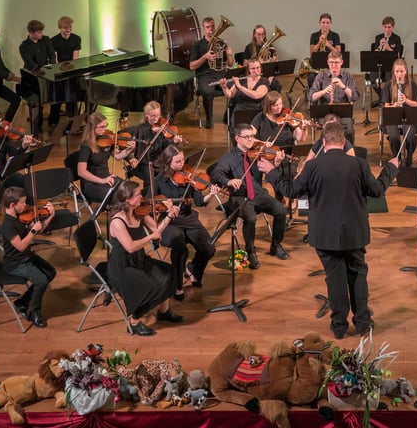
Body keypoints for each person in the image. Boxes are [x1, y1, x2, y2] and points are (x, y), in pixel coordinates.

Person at [260, 121, 398, 339]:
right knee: (357, 275)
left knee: (335, 279)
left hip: (325, 234)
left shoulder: (313, 166)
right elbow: (377, 190)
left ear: (324, 143)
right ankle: (363, 323)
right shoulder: (359, 164)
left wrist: (271, 171)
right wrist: (391, 168)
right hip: (354, 232)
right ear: (344, 142)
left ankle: (339, 327)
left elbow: (291, 190)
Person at [107, 180, 184, 336]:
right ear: (127, 199)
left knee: (170, 272)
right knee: (152, 285)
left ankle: (164, 311)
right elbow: (130, 246)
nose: (141, 197)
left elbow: (157, 230)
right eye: (137, 195)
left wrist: (168, 215)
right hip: (123, 266)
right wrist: (150, 238)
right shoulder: (117, 221)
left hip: (139, 258)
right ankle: (134, 321)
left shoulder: (139, 212)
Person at [211, 123, 290, 269]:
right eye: (246, 137)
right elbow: (216, 173)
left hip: (259, 194)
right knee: (250, 218)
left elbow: (270, 171)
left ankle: (276, 244)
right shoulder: (230, 157)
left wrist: (277, 163)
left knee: (281, 210)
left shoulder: (258, 153)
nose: (250, 140)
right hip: (240, 197)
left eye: (252, 136)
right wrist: (228, 181)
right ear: (237, 138)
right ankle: (250, 251)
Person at [153, 146, 219, 299]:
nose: (182, 164)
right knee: (180, 248)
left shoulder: (189, 178)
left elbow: (199, 201)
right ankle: (177, 286)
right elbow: (152, 202)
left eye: (182, 160)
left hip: (189, 218)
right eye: (177, 161)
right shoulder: (159, 180)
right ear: (167, 162)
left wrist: (210, 195)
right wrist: (165, 205)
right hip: (169, 221)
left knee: (209, 249)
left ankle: (192, 270)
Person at [0, 187, 57, 328]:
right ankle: (34, 311)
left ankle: (22, 301)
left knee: (50, 272)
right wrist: (32, 231)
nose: (26, 206)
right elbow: (20, 246)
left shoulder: (20, 217)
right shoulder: (7, 225)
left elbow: (39, 229)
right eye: (23, 203)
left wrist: (50, 216)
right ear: (13, 205)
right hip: (15, 263)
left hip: (26, 257)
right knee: (42, 281)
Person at [76, 112, 136, 203]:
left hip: (107, 177)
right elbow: (81, 172)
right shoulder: (86, 145)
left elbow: (118, 156)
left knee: (131, 190)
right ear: (93, 127)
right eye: (102, 127)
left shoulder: (107, 140)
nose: (105, 129)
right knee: (119, 197)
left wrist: (128, 149)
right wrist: (102, 180)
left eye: (106, 125)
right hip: (91, 183)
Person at [189, 16, 236, 129]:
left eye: (212, 26)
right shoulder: (198, 45)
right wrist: (205, 57)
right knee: (208, 92)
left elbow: (230, 64)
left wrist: (229, 54)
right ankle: (209, 120)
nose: (210, 29)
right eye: (207, 27)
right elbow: (191, 66)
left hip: (221, 75)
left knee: (236, 87)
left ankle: (228, 116)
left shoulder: (221, 43)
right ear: (203, 28)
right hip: (205, 76)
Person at [121, 100, 184, 183]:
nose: (156, 118)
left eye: (158, 115)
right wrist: (130, 158)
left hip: (159, 164)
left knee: (169, 177)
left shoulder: (162, 128)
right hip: (143, 164)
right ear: (146, 115)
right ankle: (148, 194)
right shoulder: (139, 129)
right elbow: (122, 141)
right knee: (151, 180)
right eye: (153, 116)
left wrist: (174, 141)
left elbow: (166, 146)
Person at [309, 50, 358, 142]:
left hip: (343, 113)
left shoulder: (348, 77)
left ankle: (348, 154)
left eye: (336, 63)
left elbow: (355, 97)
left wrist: (343, 86)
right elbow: (312, 97)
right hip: (324, 113)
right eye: (331, 62)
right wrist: (324, 91)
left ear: (341, 62)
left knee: (349, 131)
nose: (334, 65)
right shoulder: (321, 76)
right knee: (327, 131)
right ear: (327, 62)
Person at [380, 59, 417, 167]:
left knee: (411, 136)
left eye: (401, 71)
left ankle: (409, 156)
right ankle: (396, 156)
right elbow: (386, 106)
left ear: (406, 71)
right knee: (393, 136)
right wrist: (394, 106)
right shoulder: (388, 86)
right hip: (393, 116)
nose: (399, 74)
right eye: (397, 71)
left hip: (409, 116)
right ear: (393, 72)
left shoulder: (412, 85)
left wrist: (406, 101)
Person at [17, 19, 55, 136]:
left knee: (46, 99)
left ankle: (50, 121)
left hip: (46, 73)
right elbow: (29, 63)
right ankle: (35, 128)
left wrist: (52, 69)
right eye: (38, 32)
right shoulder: (24, 46)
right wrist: (40, 72)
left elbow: (52, 56)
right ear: (31, 33)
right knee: (36, 102)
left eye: (41, 31)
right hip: (31, 76)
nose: (41, 34)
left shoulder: (46, 40)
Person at [224, 58, 271, 134]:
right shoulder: (242, 79)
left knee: (251, 132)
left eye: (257, 68)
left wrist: (240, 87)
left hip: (257, 111)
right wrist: (224, 87)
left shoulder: (264, 81)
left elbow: (256, 95)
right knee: (237, 131)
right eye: (253, 68)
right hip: (240, 110)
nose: (255, 70)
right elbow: (230, 94)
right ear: (248, 70)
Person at [49, 15, 82, 125]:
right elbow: (55, 59)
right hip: (59, 71)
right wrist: (61, 72)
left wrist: (71, 72)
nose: (68, 30)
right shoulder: (54, 40)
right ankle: (53, 120)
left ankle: (73, 121)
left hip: (71, 70)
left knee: (72, 97)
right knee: (57, 97)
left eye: (70, 27)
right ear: (60, 28)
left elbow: (76, 59)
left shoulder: (76, 39)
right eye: (65, 28)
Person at [369, 16, 404, 104]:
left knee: (390, 81)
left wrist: (388, 48)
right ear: (382, 27)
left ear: (393, 27)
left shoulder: (397, 38)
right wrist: (380, 46)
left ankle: (386, 99)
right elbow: (375, 54)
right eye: (385, 27)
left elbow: (399, 55)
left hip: (391, 65)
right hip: (379, 64)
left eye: (389, 27)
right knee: (372, 79)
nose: (387, 29)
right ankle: (383, 98)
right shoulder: (378, 37)